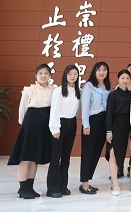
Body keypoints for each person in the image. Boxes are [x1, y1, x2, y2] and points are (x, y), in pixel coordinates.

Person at [8, 63, 54, 199]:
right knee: (26, 157)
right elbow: (22, 111)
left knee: (35, 158)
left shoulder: (54, 90)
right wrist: (26, 126)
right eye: (40, 73)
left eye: (46, 73)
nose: (43, 76)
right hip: (31, 125)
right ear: (36, 75)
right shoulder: (29, 90)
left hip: (44, 126)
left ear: (50, 75)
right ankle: (22, 188)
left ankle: (30, 187)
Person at [47, 64, 81, 198]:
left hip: (72, 124)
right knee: (56, 158)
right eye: (70, 74)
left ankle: (63, 186)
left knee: (66, 158)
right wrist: (55, 128)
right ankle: (52, 188)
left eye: (75, 74)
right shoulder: (59, 91)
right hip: (59, 124)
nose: (73, 76)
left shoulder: (78, 91)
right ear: (65, 75)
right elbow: (54, 110)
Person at [79, 61, 111, 194]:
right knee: (88, 152)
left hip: (103, 121)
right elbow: (85, 106)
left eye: (104, 70)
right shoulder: (89, 86)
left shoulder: (107, 87)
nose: (102, 72)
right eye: (99, 70)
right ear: (94, 71)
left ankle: (88, 180)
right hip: (92, 121)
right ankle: (84, 184)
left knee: (96, 152)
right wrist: (86, 124)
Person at [105, 69, 131, 196]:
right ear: (118, 79)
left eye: (127, 78)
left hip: (126, 128)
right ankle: (115, 184)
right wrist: (108, 131)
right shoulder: (112, 95)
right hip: (114, 127)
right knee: (113, 155)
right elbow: (109, 114)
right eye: (122, 78)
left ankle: (114, 180)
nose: (125, 80)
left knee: (120, 156)